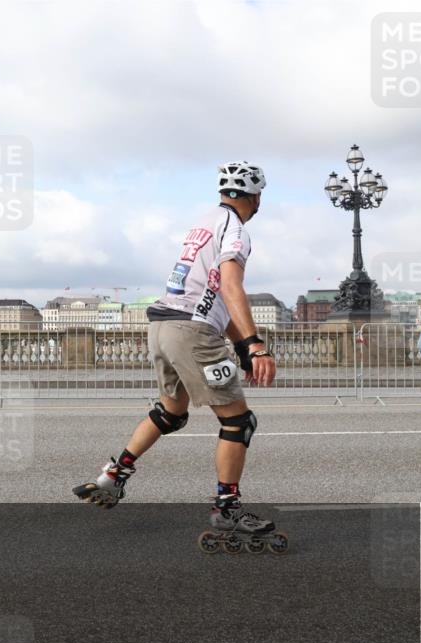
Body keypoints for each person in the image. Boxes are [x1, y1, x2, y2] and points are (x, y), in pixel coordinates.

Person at [74, 161, 287, 553]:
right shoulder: (236, 230)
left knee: (171, 411)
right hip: (191, 331)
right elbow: (229, 287)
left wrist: (239, 344)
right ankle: (227, 508)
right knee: (239, 422)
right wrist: (255, 345)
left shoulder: (203, 223)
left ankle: (114, 474)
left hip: (161, 327)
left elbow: (205, 295)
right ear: (256, 197)